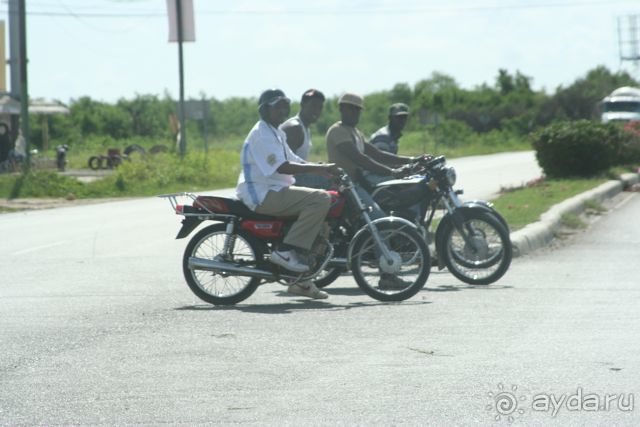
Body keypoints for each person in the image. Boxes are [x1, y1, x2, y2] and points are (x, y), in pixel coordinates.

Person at [236, 89, 341, 299]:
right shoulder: (262, 135)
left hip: (276, 190)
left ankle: (299, 282)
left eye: (285, 105)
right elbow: (282, 167)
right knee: (321, 199)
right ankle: (284, 250)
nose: (283, 110)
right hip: (262, 194)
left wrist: (322, 168)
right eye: (277, 106)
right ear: (265, 108)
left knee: (323, 216)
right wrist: (317, 169)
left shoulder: (276, 133)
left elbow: (295, 159)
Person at [325, 93, 424, 289]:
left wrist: (412, 160)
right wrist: (392, 172)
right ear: (341, 109)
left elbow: (377, 154)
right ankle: (387, 276)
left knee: (385, 209)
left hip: (355, 186)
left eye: (357, 109)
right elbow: (360, 159)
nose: (354, 112)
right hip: (344, 187)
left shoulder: (354, 132)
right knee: (379, 222)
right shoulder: (337, 131)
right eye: (350, 108)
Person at [280, 89, 330, 188]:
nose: (316, 111)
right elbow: (287, 167)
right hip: (284, 181)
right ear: (302, 104)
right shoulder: (295, 128)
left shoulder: (305, 128)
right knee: (332, 181)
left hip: (296, 176)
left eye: (320, 107)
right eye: (313, 106)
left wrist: (317, 166)